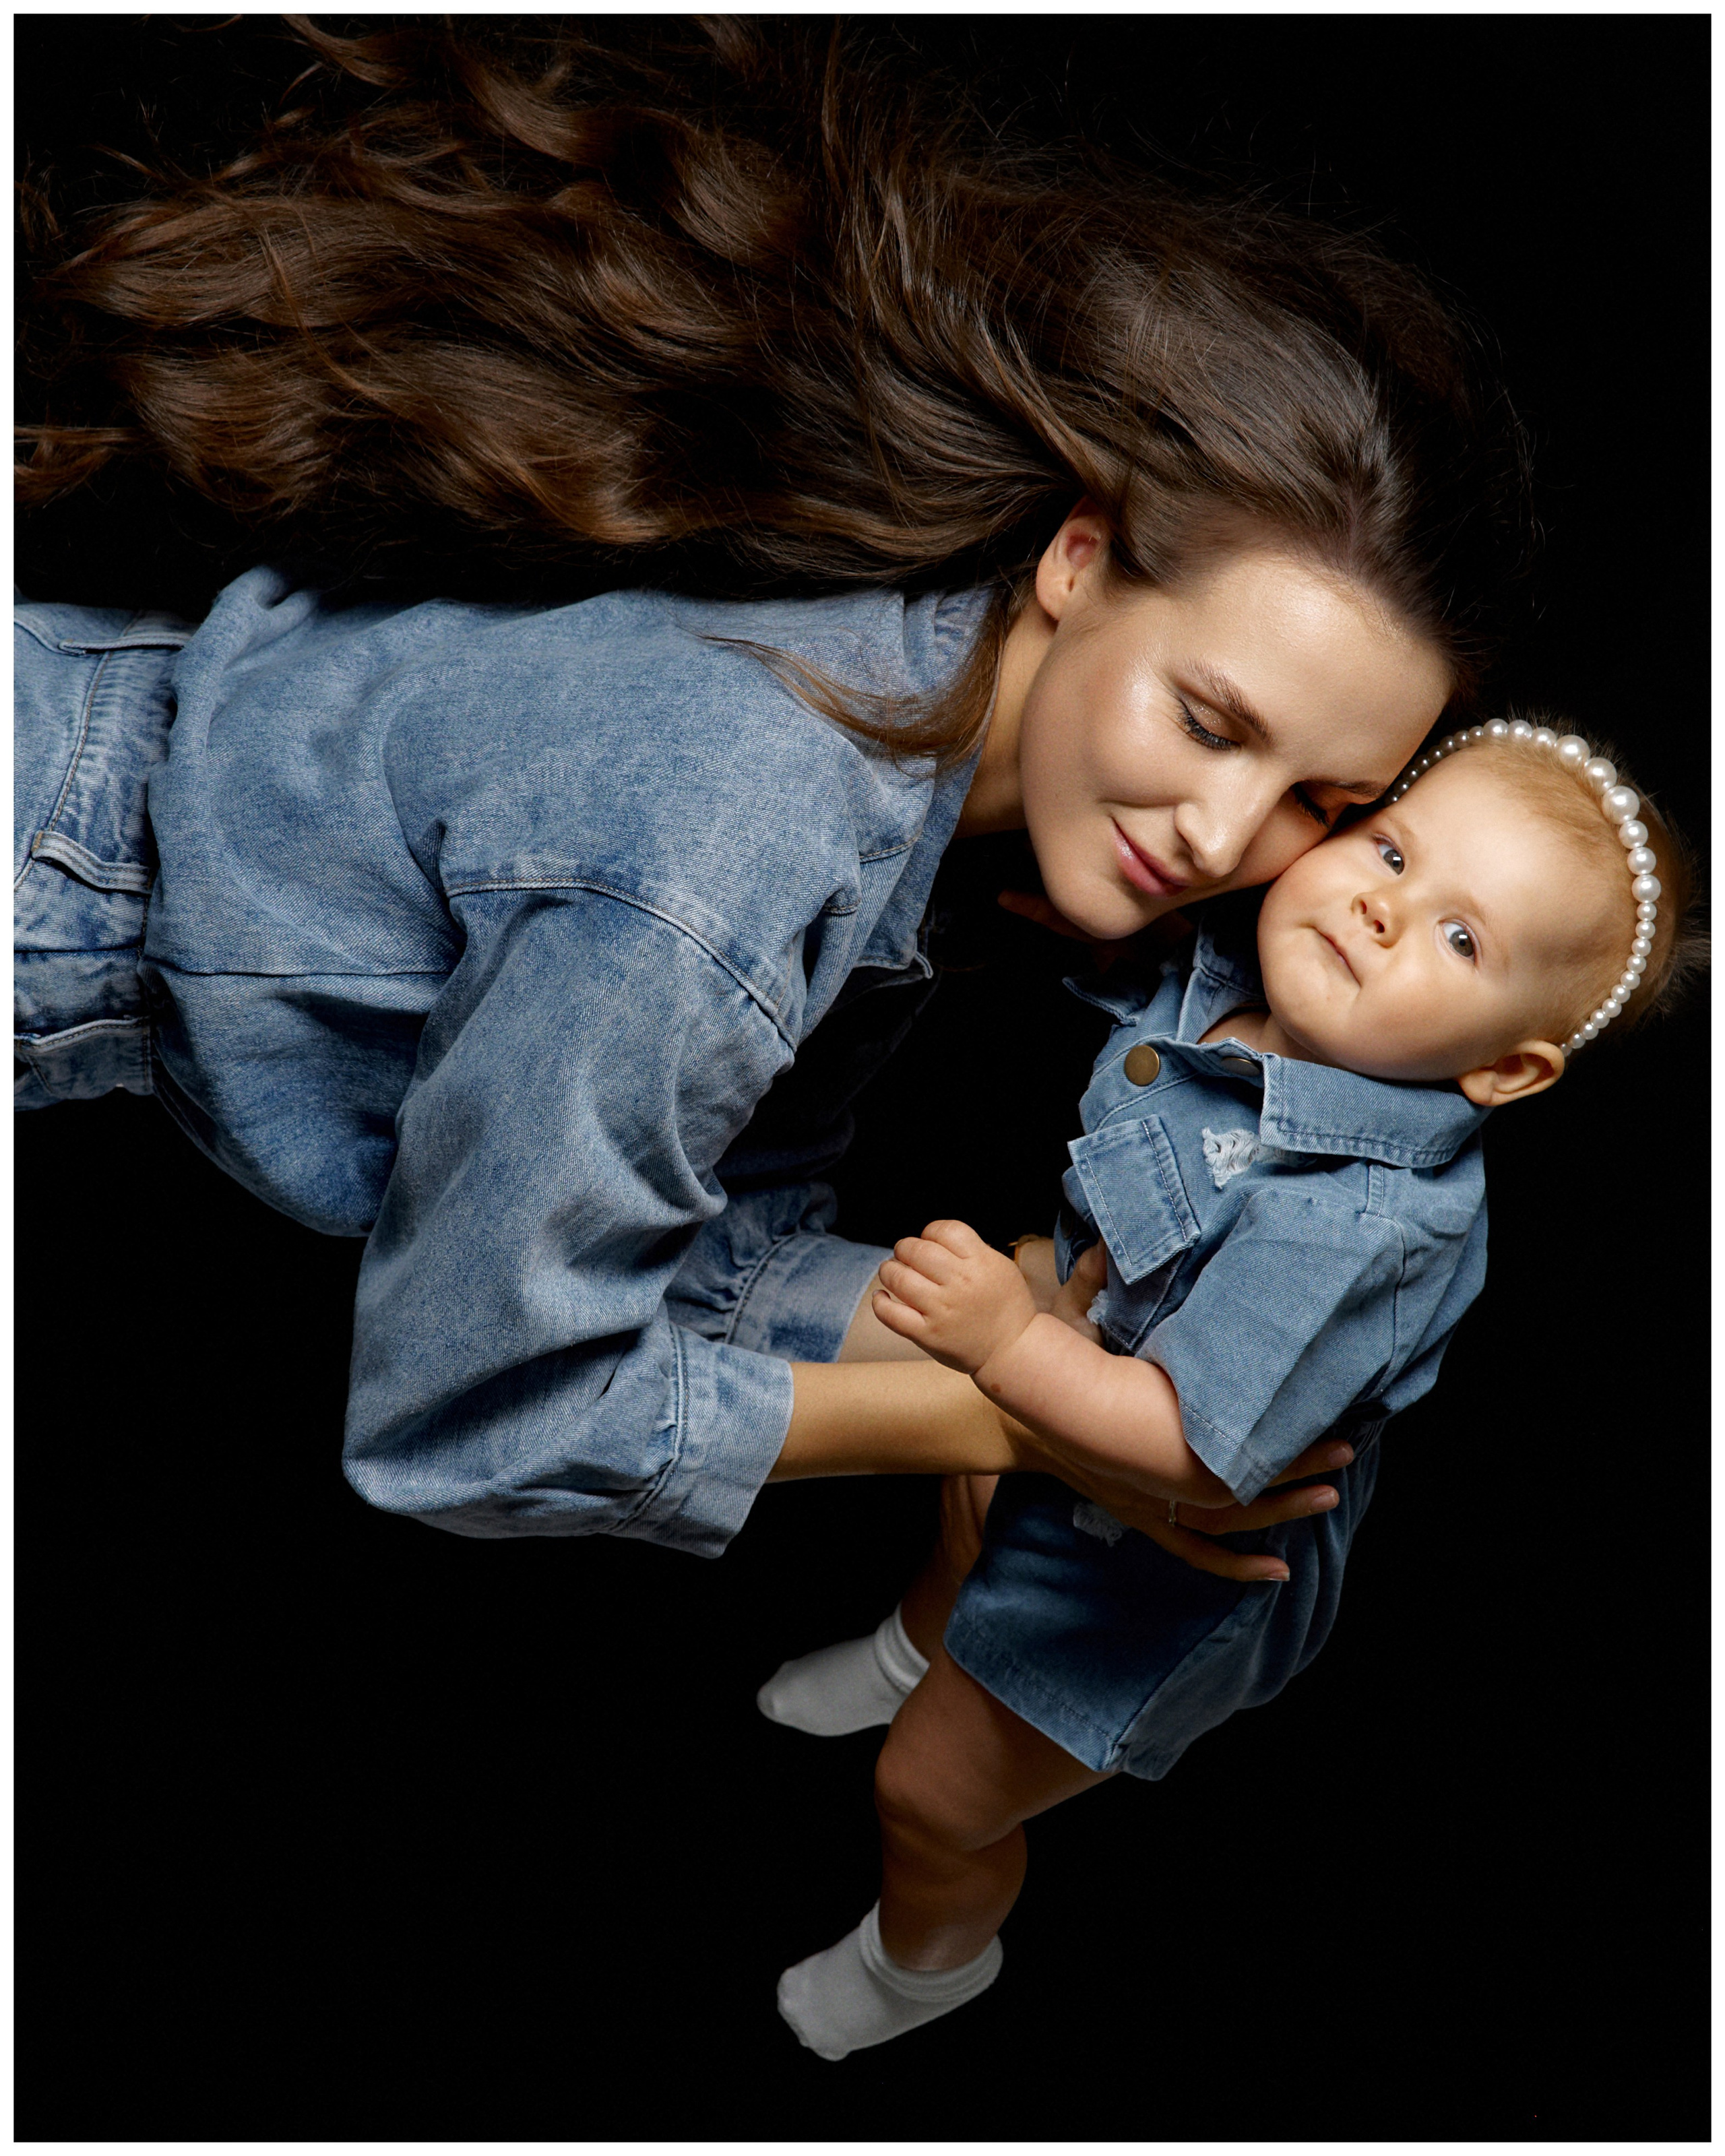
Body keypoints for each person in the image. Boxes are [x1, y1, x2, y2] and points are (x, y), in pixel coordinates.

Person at [15, 22, 1528, 1577]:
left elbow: (699, 1263)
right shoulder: (737, 838)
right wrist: (1018, 1419)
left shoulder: (916, 683)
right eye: (1207, 720)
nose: (1219, 835)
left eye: (1316, 803)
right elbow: (470, 1413)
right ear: (1079, 560)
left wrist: (1101, 1375)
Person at [766, 718, 1701, 2059]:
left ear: (1502, 1068)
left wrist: (1002, 1342)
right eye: (1389, 846)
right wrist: (1091, 942)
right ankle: (910, 1648)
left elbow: (1193, 1460)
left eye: (1457, 937)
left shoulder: (1360, 1227)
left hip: (1141, 1566)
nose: (1380, 906)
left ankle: (926, 1957)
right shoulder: (1245, 978)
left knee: (929, 1787)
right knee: (966, 1509)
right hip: (1061, 1409)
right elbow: (1149, 1030)